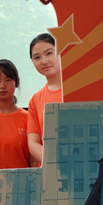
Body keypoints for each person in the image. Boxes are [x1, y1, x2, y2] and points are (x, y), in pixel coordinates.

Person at [27, 33, 63, 166]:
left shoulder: (80, 89)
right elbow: (33, 143)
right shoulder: (35, 99)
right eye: (37, 57)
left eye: (49, 53)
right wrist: (56, 162)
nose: (44, 61)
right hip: (49, 170)